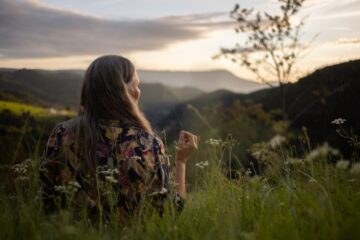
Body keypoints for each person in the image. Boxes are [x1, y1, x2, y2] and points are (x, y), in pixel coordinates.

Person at [38, 55, 198, 224]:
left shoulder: (62, 134)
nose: (139, 91)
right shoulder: (148, 143)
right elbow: (168, 212)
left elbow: (47, 201)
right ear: (127, 92)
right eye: (136, 85)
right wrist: (181, 161)